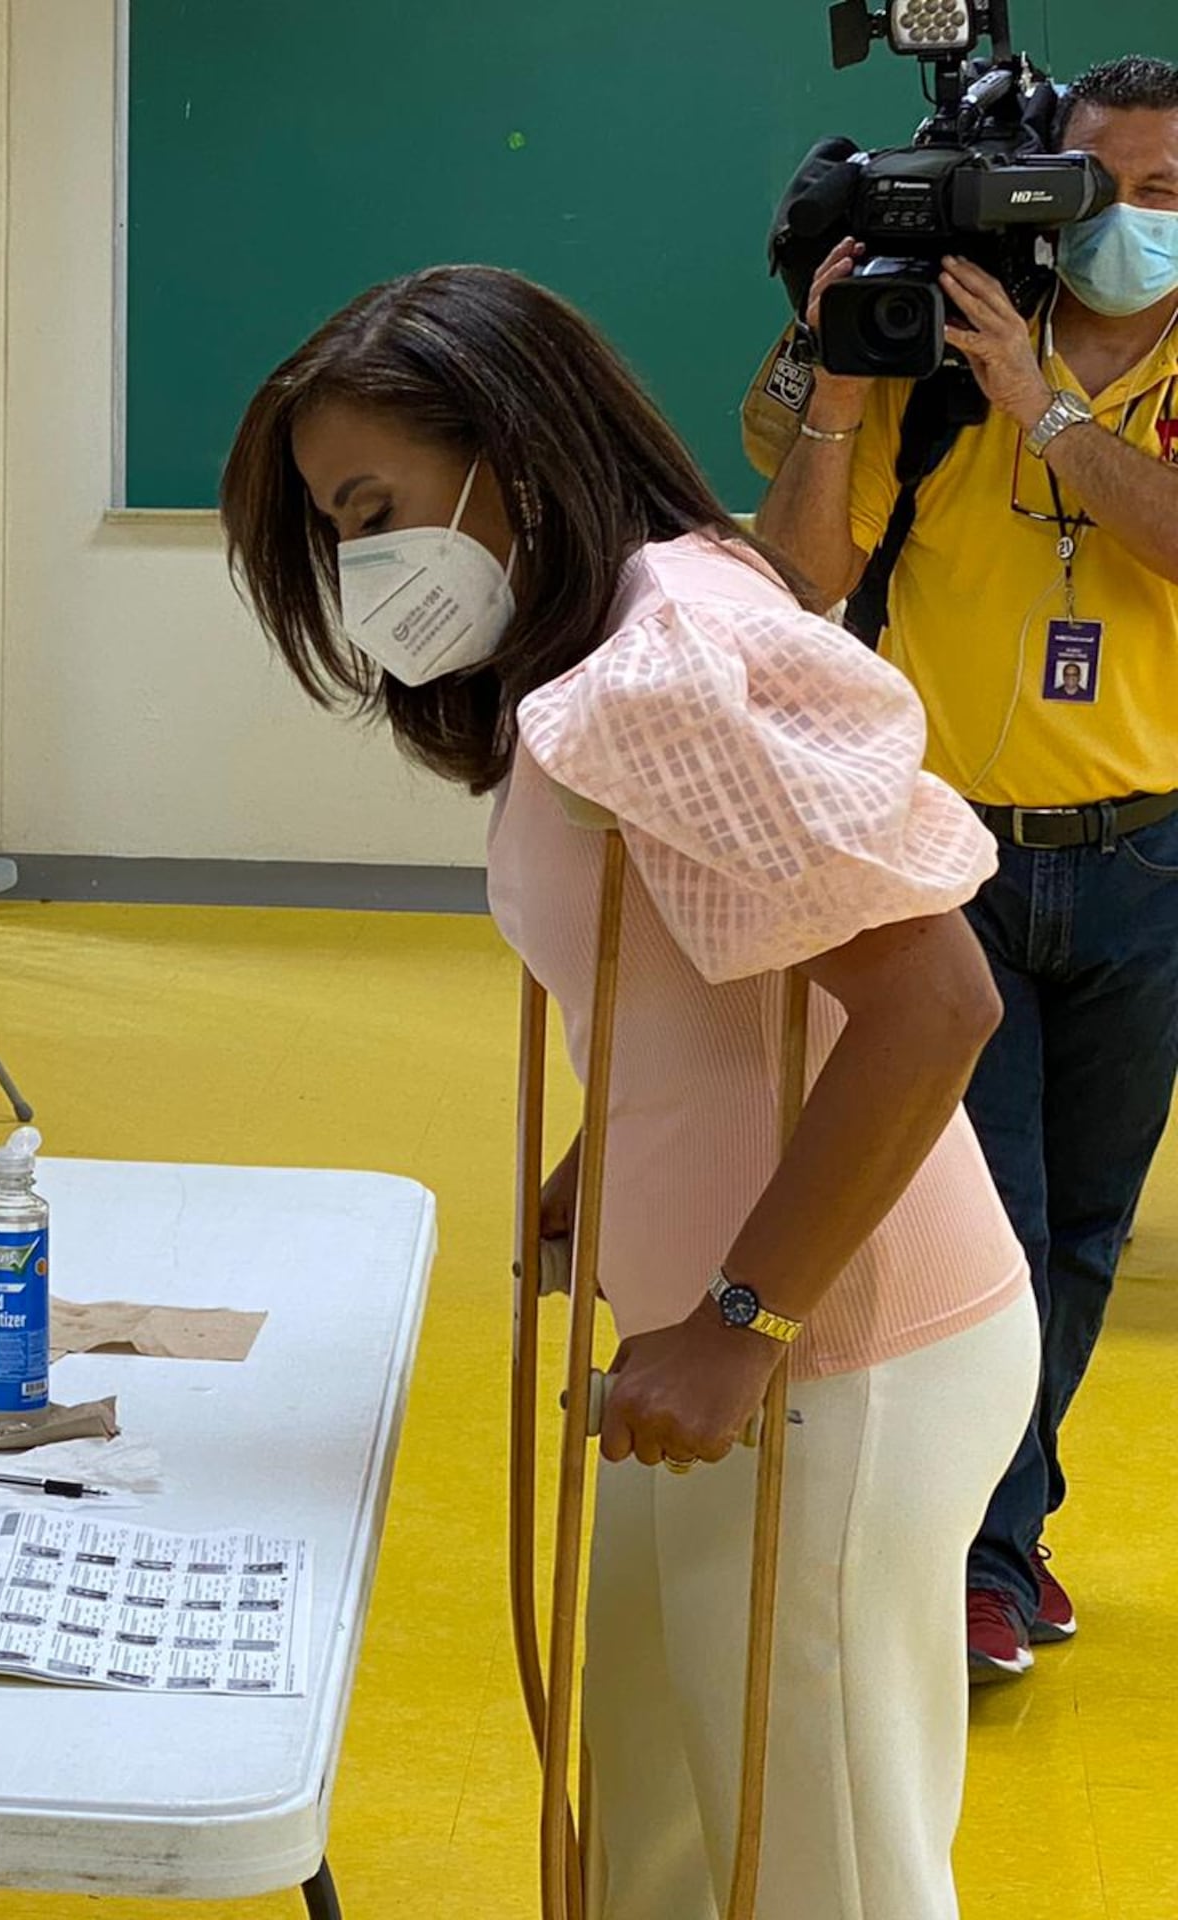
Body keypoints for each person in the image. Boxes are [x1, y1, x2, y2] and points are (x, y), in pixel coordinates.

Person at [221, 265, 1036, 1918]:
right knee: (671, 1835)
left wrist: (741, 1320)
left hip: (835, 1354)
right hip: (739, 1330)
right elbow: (725, 971)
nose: (365, 567)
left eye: (374, 507)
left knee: (821, 1867)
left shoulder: (674, 659)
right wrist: (609, 1161)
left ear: (511, 448)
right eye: (334, 530)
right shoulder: (610, 642)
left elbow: (934, 1000)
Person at [755, 54, 1178, 1681]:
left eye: (1165, 191)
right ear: (1040, 191)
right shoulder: (937, 353)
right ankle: (976, 1563)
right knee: (987, 1226)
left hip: (1147, 865)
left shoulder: (1041, 377)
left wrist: (1049, 412)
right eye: (1101, 187)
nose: (1131, 222)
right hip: (950, 868)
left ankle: (1012, 1530)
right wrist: (843, 376)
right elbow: (801, 572)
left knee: (1084, 1233)